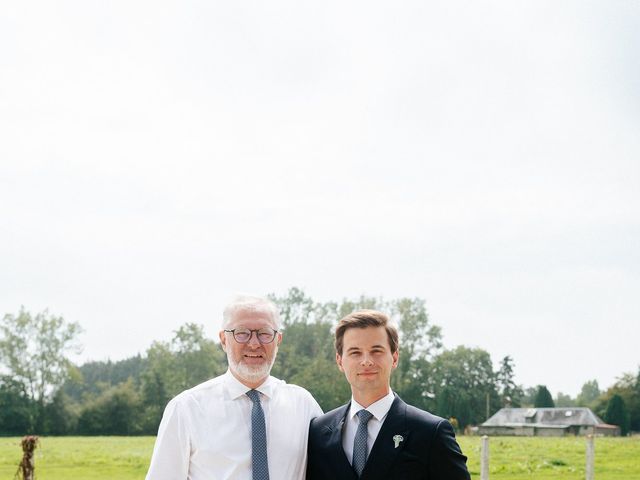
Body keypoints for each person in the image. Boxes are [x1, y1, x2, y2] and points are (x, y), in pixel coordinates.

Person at [146, 294, 322, 480]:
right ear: (223, 339)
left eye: (264, 334)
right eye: (242, 333)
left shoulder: (303, 405)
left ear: (278, 340)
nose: (254, 344)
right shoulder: (186, 409)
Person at [307, 310, 470, 480]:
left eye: (376, 351)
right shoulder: (318, 433)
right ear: (340, 361)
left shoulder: (431, 433)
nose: (366, 361)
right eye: (355, 352)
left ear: (395, 357)